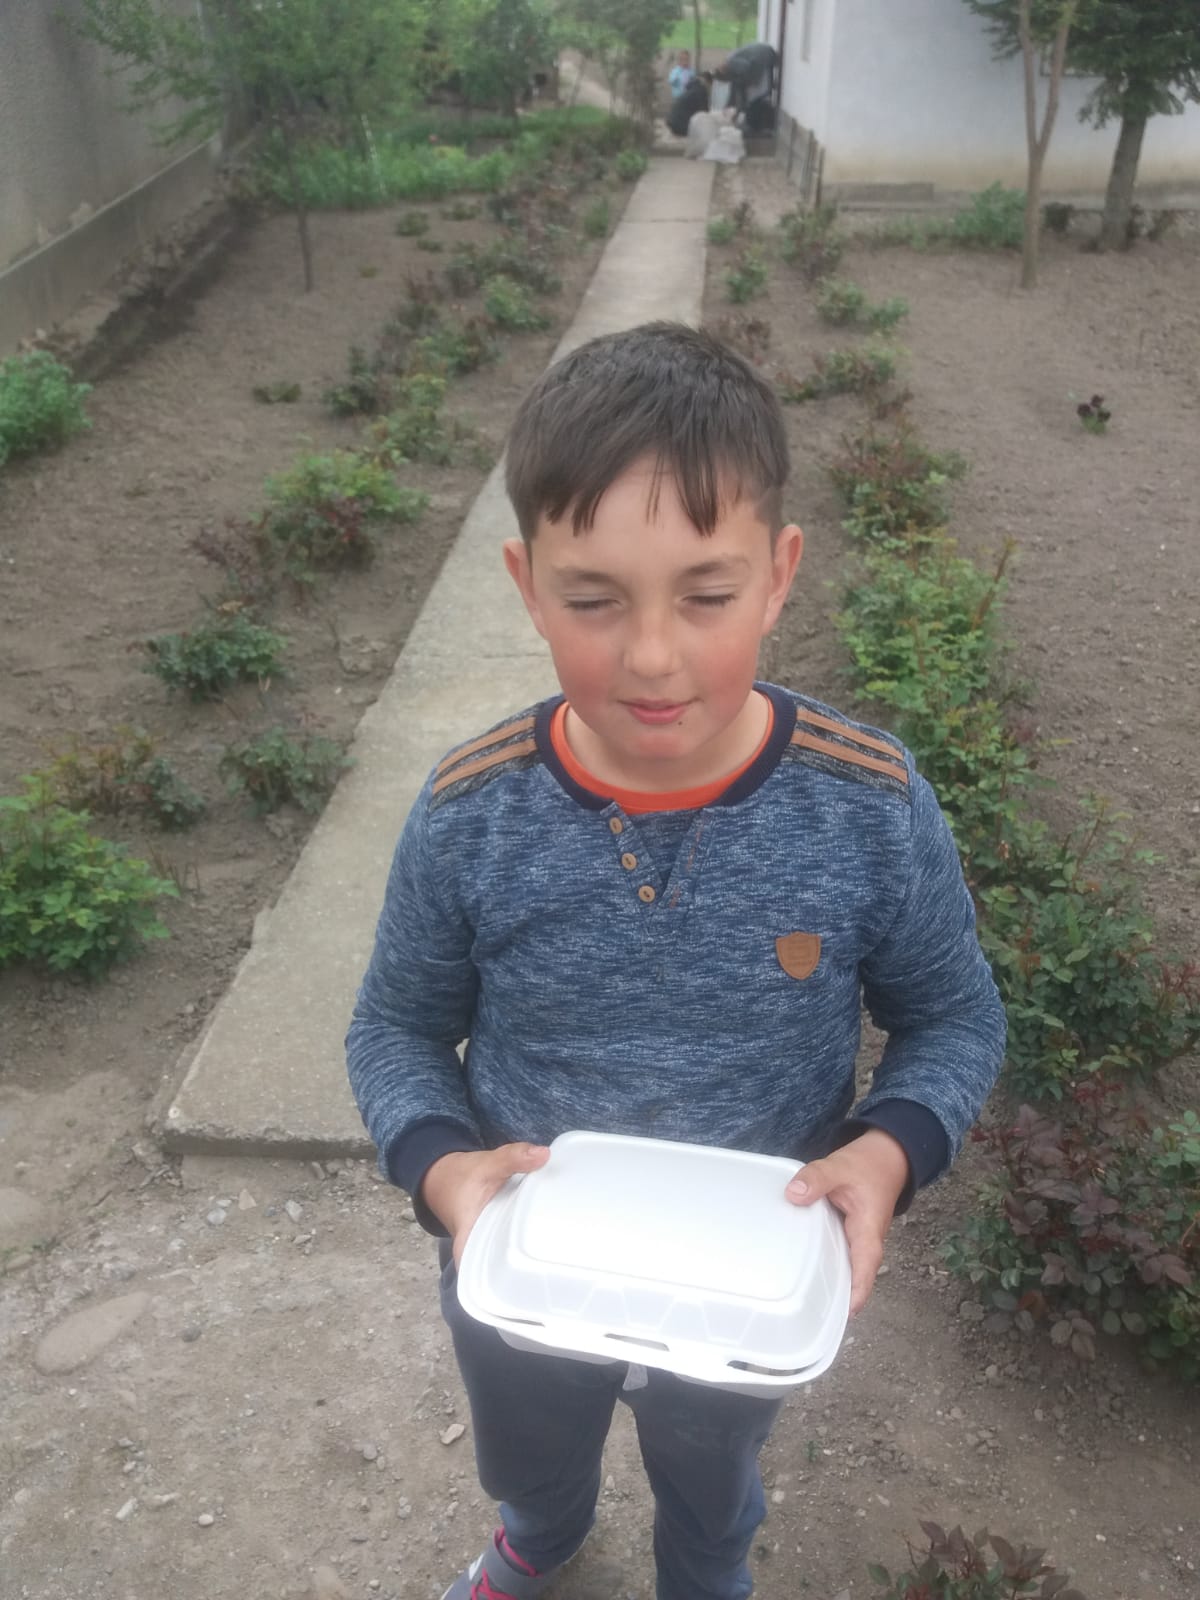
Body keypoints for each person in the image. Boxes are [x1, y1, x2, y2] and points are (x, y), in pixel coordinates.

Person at [346, 323, 1007, 1600]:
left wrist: (888, 1151)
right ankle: (541, 1532)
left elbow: (954, 1018)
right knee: (528, 1437)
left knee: (712, 1469)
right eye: (592, 599)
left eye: (706, 595)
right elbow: (396, 1028)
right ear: (526, 582)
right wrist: (444, 1170)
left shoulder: (866, 806)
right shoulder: (471, 811)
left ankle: (705, 1571)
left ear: (779, 574)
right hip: (529, 1253)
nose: (651, 655)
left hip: (746, 1273)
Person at [714, 40, 778, 131]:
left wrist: (746, 83)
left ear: (724, 74)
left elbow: (746, 68)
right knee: (752, 95)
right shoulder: (731, 67)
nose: (727, 81)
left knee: (756, 96)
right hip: (760, 59)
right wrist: (731, 107)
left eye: (725, 80)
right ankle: (755, 124)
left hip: (765, 56)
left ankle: (757, 126)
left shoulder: (731, 63)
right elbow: (735, 89)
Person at [666, 69, 713, 138]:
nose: (709, 88)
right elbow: (704, 113)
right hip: (681, 126)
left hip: (673, 123)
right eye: (710, 84)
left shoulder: (692, 88)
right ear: (706, 81)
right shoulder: (700, 91)